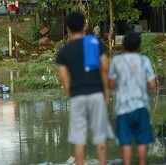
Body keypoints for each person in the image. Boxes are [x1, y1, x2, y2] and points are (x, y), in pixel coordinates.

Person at [56, 11, 113, 165]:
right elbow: (105, 69)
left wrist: (71, 95)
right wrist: (105, 91)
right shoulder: (95, 44)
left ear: (68, 28)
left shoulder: (64, 51)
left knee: (79, 139)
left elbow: (63, 77)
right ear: (85, 26)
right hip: (96, 94)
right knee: (100, 136)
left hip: (77, 96)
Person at [108, 32, 156, 165]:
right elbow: (152, 85)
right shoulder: (144, 60)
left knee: (126, 141)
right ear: (139, 45)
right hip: (141, 107)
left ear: (123, 45)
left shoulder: (117, 61)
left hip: (123, 108)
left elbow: (110, 84)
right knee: (142, 140)